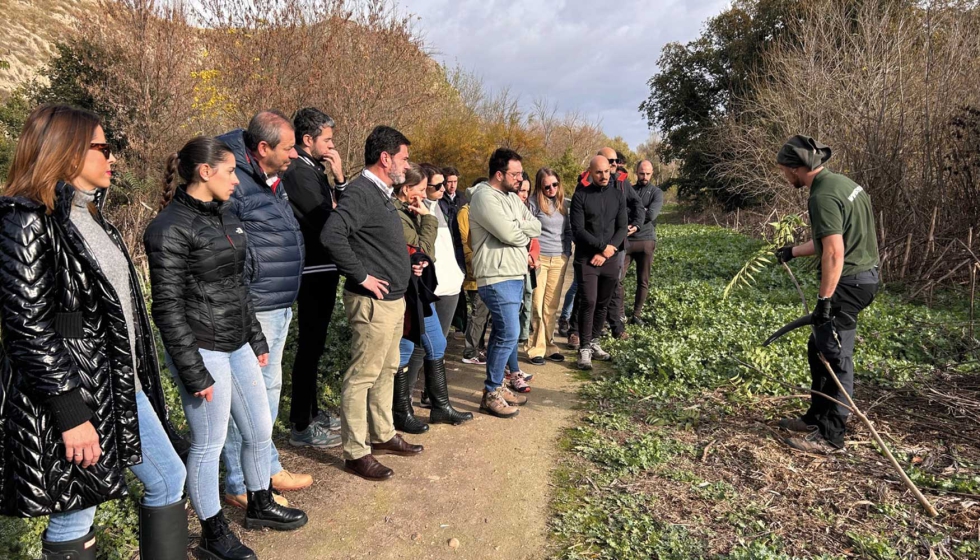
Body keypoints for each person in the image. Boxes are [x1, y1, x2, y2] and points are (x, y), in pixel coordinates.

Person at [0, 104, 188, 560]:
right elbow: (27, 326)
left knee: (165, 478)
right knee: (77, 507)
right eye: (102, 147)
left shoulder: (91, 216)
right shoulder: (26, 217)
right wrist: (70, 412)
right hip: (75, 392)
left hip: (119, 386)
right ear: (65, 150)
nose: (113, 158)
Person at [147, 136, 309, 560]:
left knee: (258, 428)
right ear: (205, 172)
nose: (237, 180)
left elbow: (238, 286)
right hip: (202, 349)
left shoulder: (226, 216)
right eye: (230, 171)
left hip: (236, 344)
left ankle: (259, 503)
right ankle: (213, 534)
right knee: (209, 444)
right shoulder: (167, 228)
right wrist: (192, 370)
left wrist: (254, 337)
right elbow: (166, 308)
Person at [216, 111, 313, 506]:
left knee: (269, 388)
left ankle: (267, 465)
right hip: (256, 302)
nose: (294, 154)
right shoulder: (232, 178)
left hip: (278, 300)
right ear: (263, 148)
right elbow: (229, 244)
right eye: (288, 147)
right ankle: (240, 481)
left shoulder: (270, 175)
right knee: (249, 393)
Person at [321, 125, 423, 481]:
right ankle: (355, 452)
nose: (407, 166)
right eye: (404, 159)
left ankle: (381, 434)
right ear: (385, 158)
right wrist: (362, 275)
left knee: (387, 369)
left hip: (393, 302)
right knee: (362, 376)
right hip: (372, 303)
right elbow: (332, 235)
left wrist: (408, 263)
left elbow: (374, 241)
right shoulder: (362, 191)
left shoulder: (381, 193)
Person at [773, 135, 880, 453]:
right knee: (818, 346)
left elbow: (834, 253)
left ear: (796, 168)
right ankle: (815, 418)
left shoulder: (821, 196)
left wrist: (823, 302)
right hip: (863, 276)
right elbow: (830, 240)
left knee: (835, 355)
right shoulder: (842, 184)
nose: (784, 176)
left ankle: (832, 436)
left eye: (784, 170)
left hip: (849, 282)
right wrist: (792, 251)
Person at [280, 107, 346, 449]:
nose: (333, 146)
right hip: (311, 269)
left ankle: (312, 411)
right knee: (309, 347)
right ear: (309, 140)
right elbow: (329, 220)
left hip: (323, 267)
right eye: (328, 139)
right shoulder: (298, 173)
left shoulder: (311, 170)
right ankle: (300, 424)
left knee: (315, 346)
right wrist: (340, 179)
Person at [392, 164, 474, 434]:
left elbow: (427, 253)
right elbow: (424, 249)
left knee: (436, 343)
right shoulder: (399, 213)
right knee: (406, 349)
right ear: (407, 190)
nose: (425, 194)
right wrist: (427, 217)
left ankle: (440, 407)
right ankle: (400, 412)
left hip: (417, 291)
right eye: (421, 188)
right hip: (407, 291)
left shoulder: (409, 211)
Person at [467, 149, 541, 418]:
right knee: (509, 332)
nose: (521, 179)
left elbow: (535, 225)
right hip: (496, 275)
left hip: (514, 273)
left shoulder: (510, 197)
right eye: (516, 174)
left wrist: (517, 226)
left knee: (501, 332)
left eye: (521, 173)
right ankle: (491, 393)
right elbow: (512, 233)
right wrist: (518, 228)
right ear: (499, 174)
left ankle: (496, 385)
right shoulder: (485, 197)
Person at [571, 156, 628, 370]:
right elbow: (578, 230)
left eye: (606, 171)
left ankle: (594, 342)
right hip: (587, 258)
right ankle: (584, 348)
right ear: (590, 173)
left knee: (603, 302)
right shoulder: (580, 196)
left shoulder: (618, 195)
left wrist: (607, 251)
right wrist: (599, 248)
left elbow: (622, 227)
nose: (604, 176)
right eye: (599, 172)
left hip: (609, 258)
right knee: (589, 301)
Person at [528, 167, 573, 365]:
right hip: (540, 258)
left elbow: (569, 230)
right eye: (547, 186)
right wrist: (531, 256)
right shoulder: (532, 204)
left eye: (555, 184)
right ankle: (535, 348)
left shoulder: (563, 204)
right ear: (540, 186)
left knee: (551, 306)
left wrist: (567, 253)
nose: (551, 188)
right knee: (537, 305)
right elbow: (527, 231)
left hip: (559, 259)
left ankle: (549, 345)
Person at [623, 160, 664, 326]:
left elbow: (652, 214)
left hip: (646, 241)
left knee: (643, 280)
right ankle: (618, 314)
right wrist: (640, 211)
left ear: (652, 173)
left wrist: (635, 215)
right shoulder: (629, 190)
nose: (644, 176)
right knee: (617, 279)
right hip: (627, 240)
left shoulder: (656, 192)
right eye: (641, 173)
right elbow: (622, 211)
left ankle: (636, 314)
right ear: (636, 172)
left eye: (647, 173)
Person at [459, 177, 491, 365]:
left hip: (485, 270)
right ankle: (470, 351)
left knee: (483, 313)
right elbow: (465, 242)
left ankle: (479, 348)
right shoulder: (466, 212)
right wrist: (474, 264)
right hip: (475, 272)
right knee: (478, 312)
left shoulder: (483, 211)